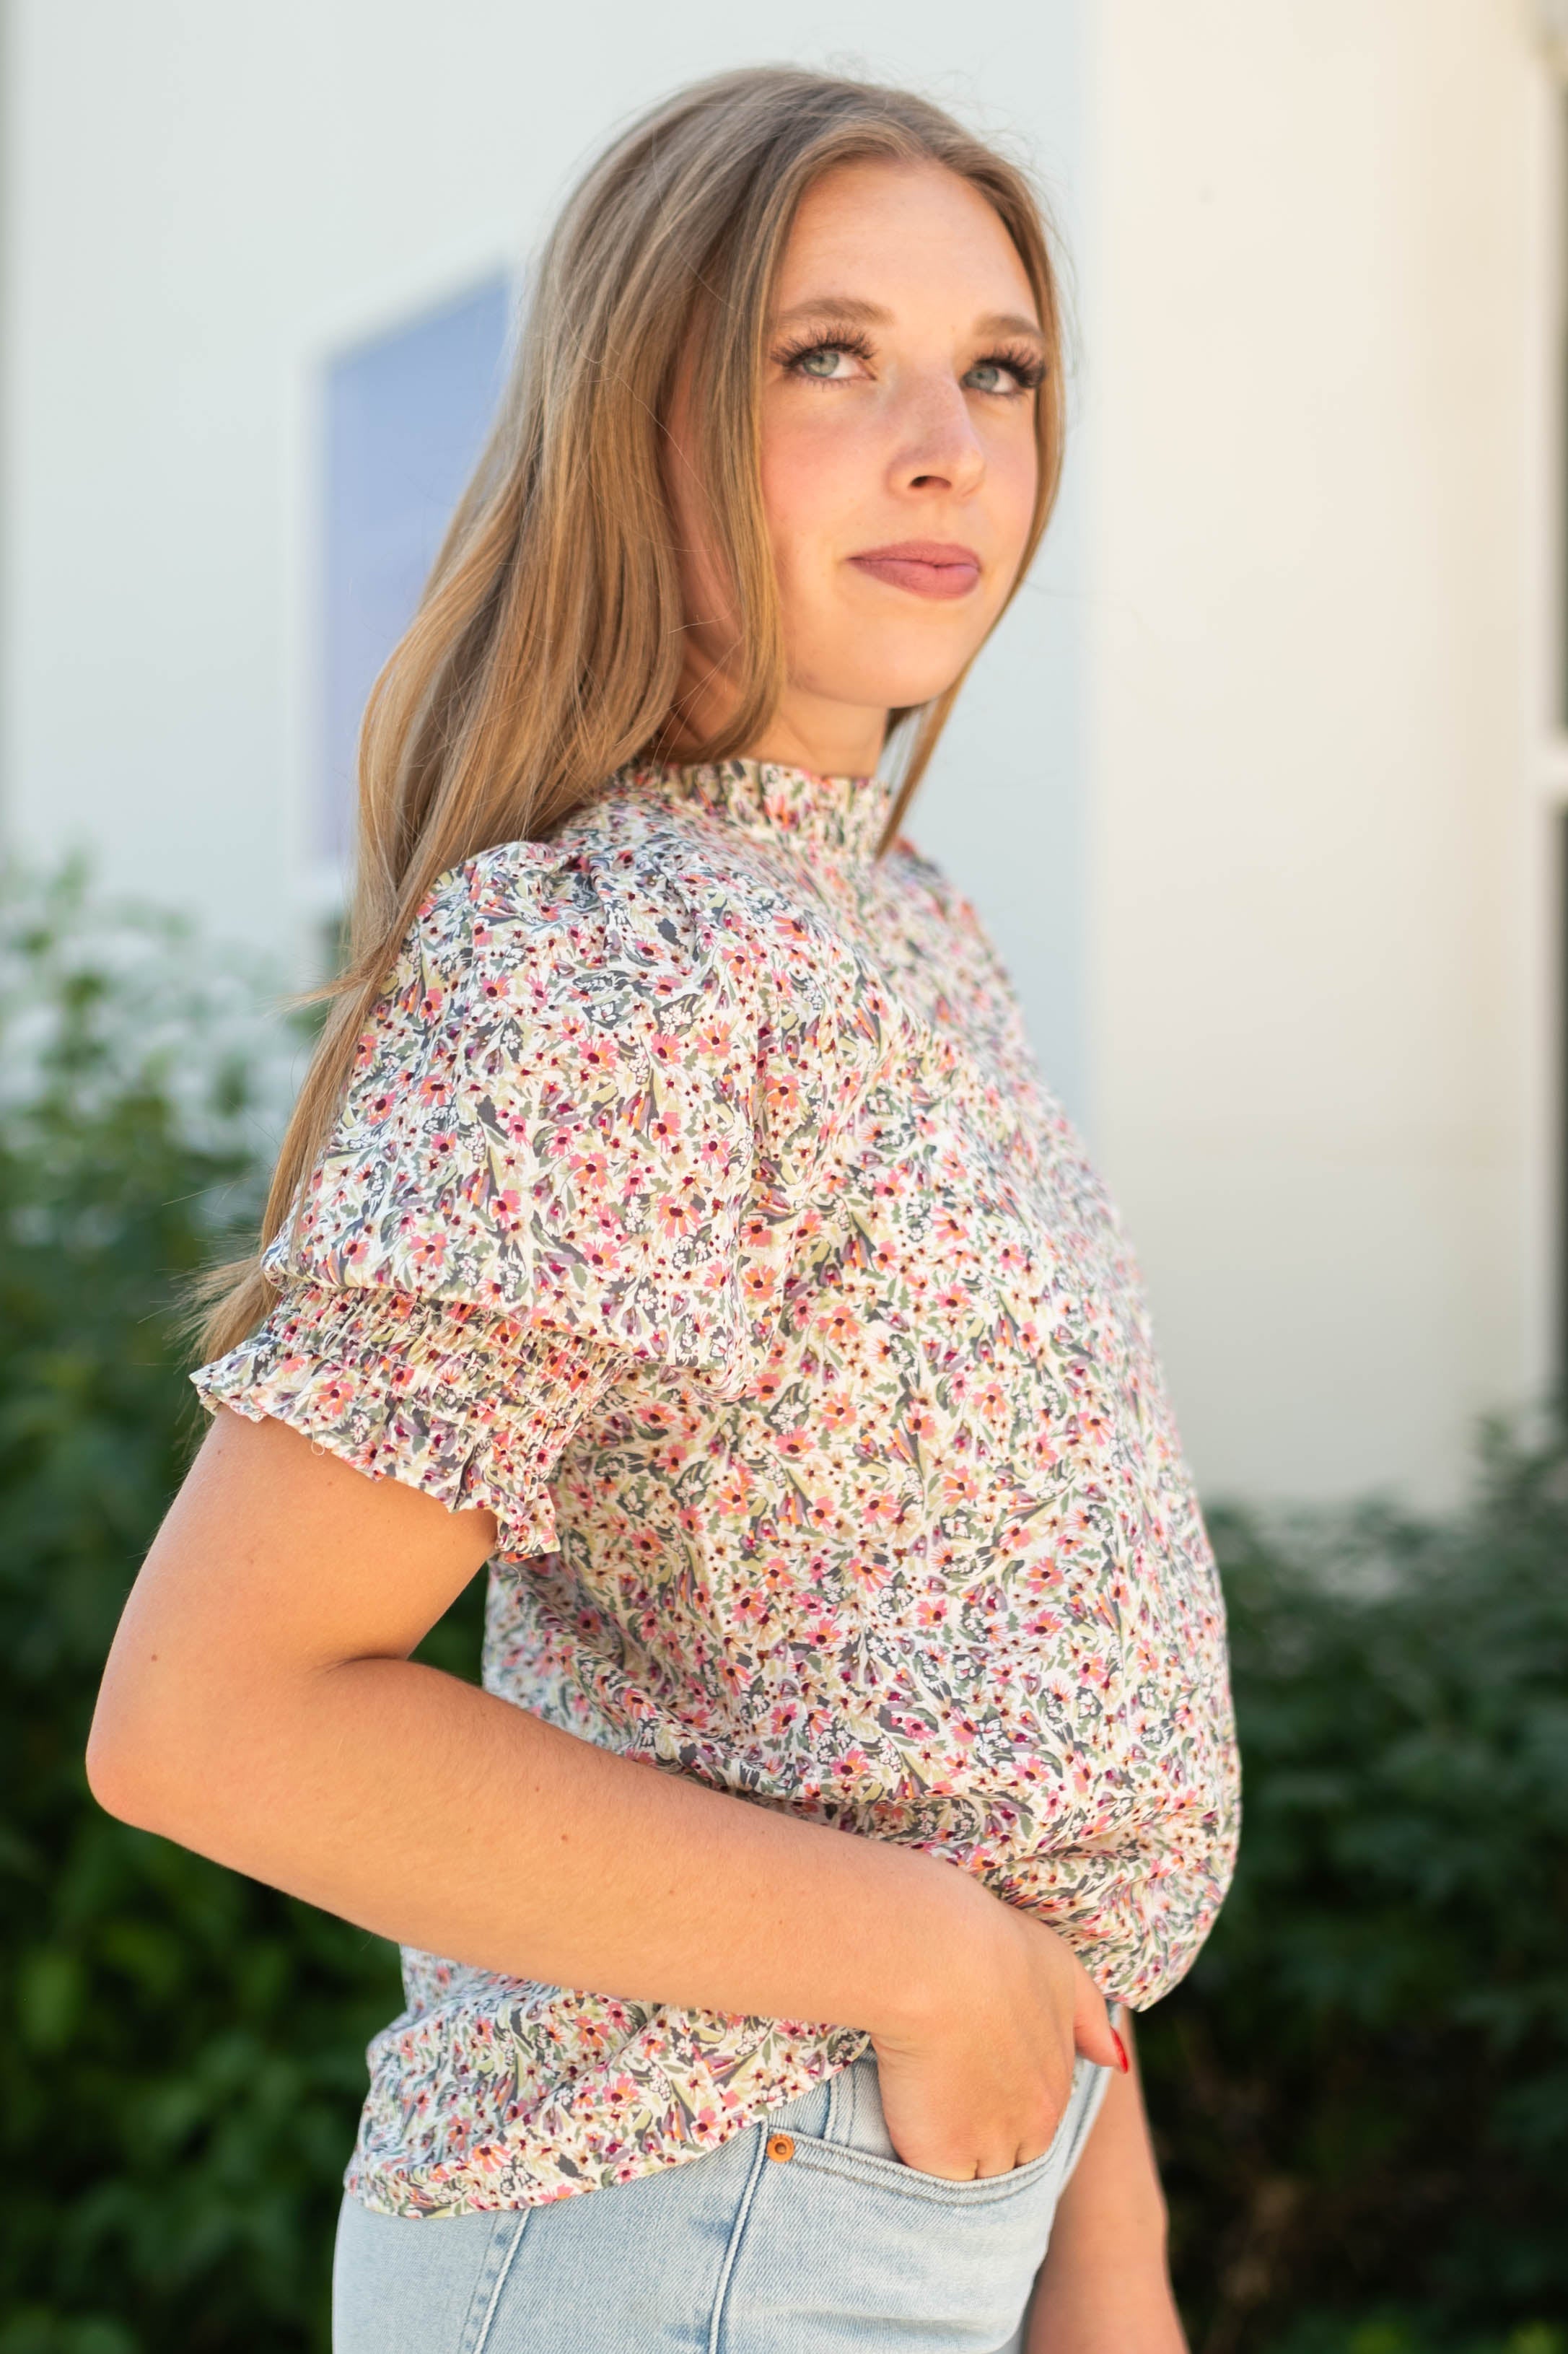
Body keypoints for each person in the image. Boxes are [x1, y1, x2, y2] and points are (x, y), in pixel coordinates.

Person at [87, 65, 1239, 2354]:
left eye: (998, 372)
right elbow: (215, 1716)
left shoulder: (899, 926)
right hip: (688, 2219)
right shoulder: (615, 955)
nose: (950, 444)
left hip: (922, 2204)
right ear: (645, 419)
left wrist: (1107, 2248)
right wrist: (924, 1961)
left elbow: (971, 1727)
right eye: (833, 357)